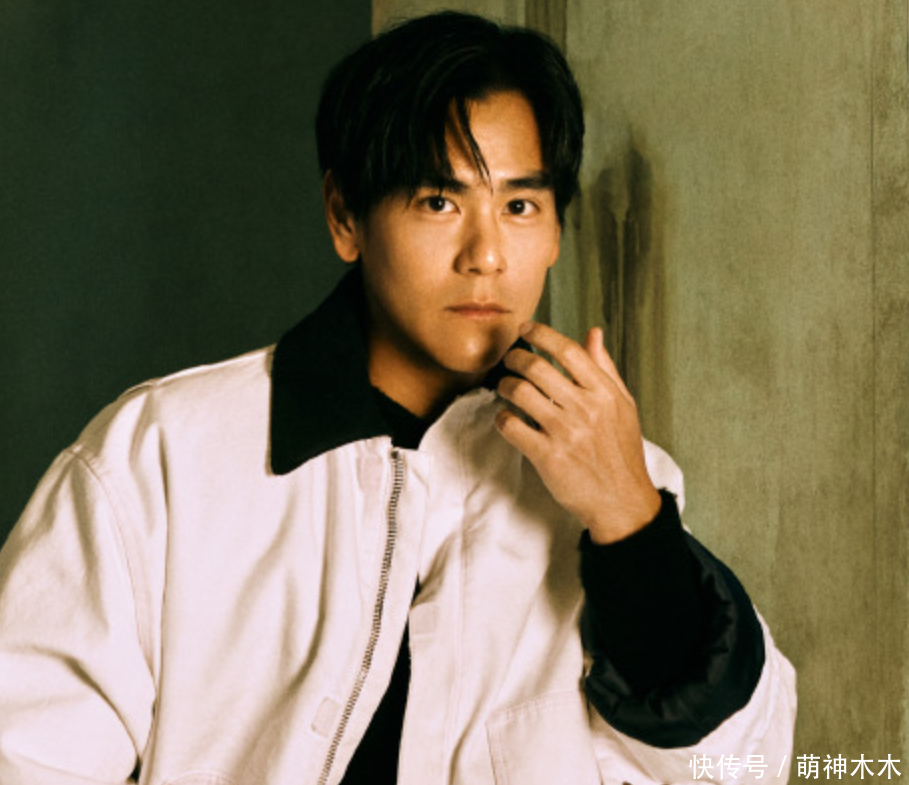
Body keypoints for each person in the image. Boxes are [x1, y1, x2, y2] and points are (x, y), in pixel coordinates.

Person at [0, 11, 796, 785]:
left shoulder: (613, 479)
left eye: (519, 205)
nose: (486, 255)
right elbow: (24, 751)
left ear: (556, 230)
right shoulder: (164, 455)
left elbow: (740, 767)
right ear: (345, 216)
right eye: (438, 202)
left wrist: (631, 521)